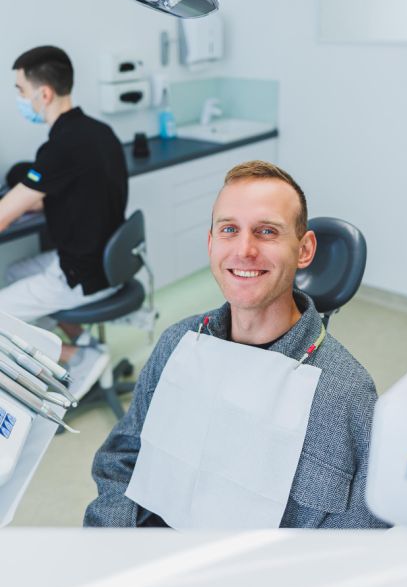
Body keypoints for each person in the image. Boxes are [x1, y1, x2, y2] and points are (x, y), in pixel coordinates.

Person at [84, 160, 388, 529]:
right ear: (211, 244)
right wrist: (113, 547)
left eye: (266, 231)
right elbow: (121, 459)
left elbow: (354, 543)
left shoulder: (345, 396)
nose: (244, 250)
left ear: (305, 249)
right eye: (229, 229)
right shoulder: (178, 344)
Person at [0, 46, 128, 397]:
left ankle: (77, 356)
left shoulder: (61, 147)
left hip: (81, 273)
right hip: (104, 262)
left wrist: (19, 200)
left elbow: (4, 216)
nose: (21, 101)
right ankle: (86, 343)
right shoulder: (99, 132)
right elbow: (79, 193)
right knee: (13, 274)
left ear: (44, 93)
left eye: (20, 92)